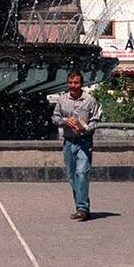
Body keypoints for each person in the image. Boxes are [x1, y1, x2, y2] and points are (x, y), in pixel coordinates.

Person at [51, 71, 101, 221]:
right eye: (70, 83)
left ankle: (82, 208)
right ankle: (82, 205)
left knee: (82, 173)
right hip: (69, 142)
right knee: (72, 176)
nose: (73, 86)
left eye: (76, 83)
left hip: (84, 141)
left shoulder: (90, 100)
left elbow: (95, 120)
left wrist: (86, 129)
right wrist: (65, 121)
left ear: (82, 84)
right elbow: (55, 117)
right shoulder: (62, 100)